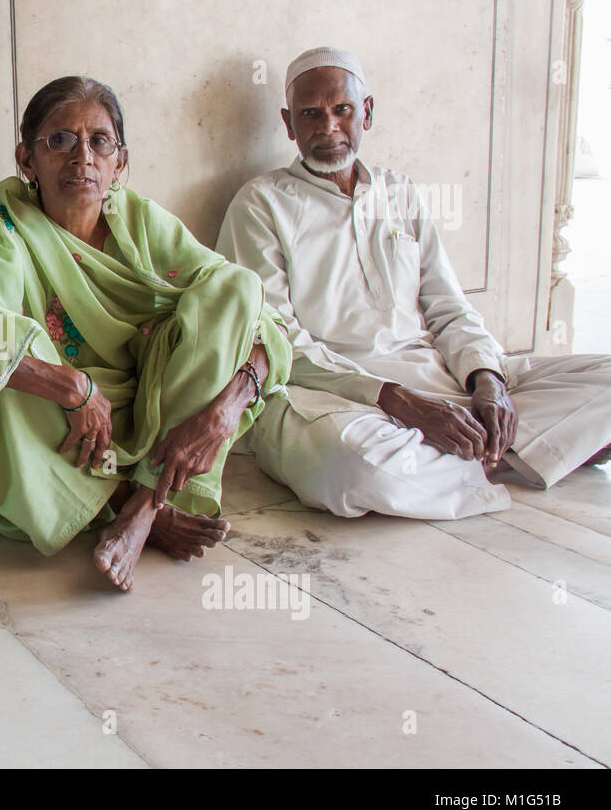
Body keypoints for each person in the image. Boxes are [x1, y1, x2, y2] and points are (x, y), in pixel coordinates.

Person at [0, 76, 292, 591]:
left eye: (99, 141)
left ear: (119, 161)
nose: (83, 158)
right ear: (26, 160)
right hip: (61, 434)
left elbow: (265, 324)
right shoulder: (5, 240)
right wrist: (70, 386)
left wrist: (222, 412)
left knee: (235, 286)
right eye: (59, 141)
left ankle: (145, 503)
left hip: (155, 423)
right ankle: (123, 503)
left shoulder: (145, 226)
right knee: (7, 345)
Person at [217, 47, 611, 519]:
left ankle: (462, 455)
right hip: (332, 398)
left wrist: (487, 379)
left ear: (366, 112)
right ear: (288, 123)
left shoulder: (399, 191)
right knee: (350, 467)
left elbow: (448, 305)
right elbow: (276, 341)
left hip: (438, 377)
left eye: (342, 110)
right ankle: (515, 455)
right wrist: (398, 401)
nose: (327, 128)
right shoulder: (261, 204)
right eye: (310, 114)